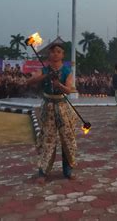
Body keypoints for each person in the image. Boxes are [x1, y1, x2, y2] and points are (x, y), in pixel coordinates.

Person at [27, 43, 77, 182]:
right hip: (48, 106)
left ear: (62, 55)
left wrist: (59, 85)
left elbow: (69, 89)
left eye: (58, 51)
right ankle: (43, 171)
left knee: (67, 138)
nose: (55, 54)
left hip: (62, 106)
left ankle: (68, 169)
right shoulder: (44, 70)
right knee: (47, 138)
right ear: (49, 55)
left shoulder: (67, 71)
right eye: (53, 51)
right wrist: (45, 76)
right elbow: (29, 81)